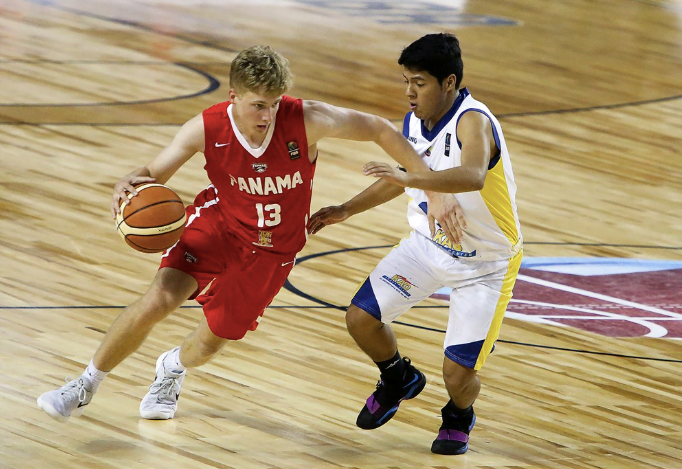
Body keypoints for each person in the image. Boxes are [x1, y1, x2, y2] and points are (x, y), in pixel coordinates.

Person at [36, 45, 463, 423]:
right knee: (160, 298)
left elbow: (380, 129)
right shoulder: (205, 128)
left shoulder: (307, 119)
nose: (268, 115)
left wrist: (429, 185)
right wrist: (126, 183)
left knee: (211, 341)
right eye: (259, 105)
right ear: (233, 97)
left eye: (275, 104)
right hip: (218, 223)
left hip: (273, 251)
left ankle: (171, 369)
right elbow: (152, 174)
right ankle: (84, 385)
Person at [309, 33, 523, 455]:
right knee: (360, 319)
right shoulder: (414, 123)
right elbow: (399, 184)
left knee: (458, 377)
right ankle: (397, 377)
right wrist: (347, 209)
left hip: (486, 265)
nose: (409, 91)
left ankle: (459, 415)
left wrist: (411, 178)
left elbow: (474, 175)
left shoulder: (472, 120)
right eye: (406, 80)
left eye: (419, 82)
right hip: (427, 248)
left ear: (448, 82)